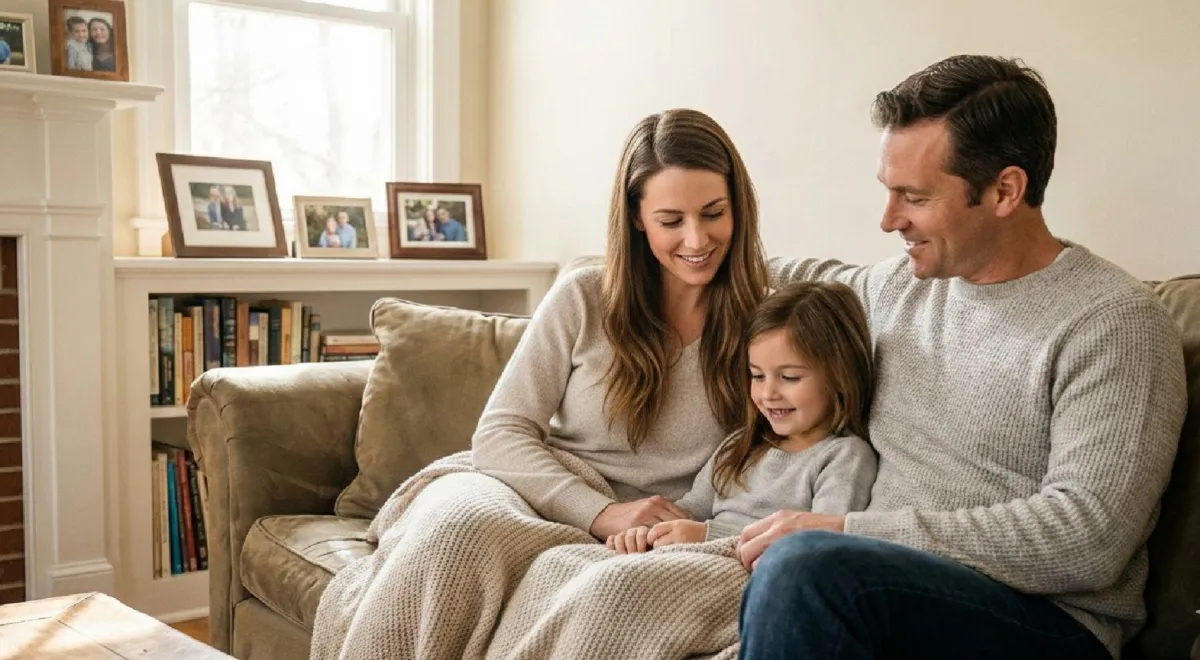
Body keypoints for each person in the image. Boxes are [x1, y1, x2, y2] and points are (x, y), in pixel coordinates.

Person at [735, 54, 1188, 660]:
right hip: (878, 588)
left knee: (798, 569)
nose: (889, 219)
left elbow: (1089, 536)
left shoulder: (1114, 323)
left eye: (913, 197)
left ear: (1005, 190)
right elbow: (773, 277)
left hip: (1043, 623)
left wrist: (848, 532)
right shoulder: (896, 289)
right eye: (888, 192)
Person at [317, 108, 769, 660]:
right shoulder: (584, 296)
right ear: (636, 219)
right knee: (460, 529)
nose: (696, 238)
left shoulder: (768, 318)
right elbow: (502, 434)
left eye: (713, 213)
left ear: (737, 207)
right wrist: (600, 514)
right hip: (533, 486)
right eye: (671, 220)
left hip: (656, 528)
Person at [607, 280, 877, 554]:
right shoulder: (740, 445)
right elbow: (688, 513)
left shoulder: (844, 457)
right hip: (692, 556)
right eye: (757, 375)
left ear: (841, 377)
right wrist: (647, 533)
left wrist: (708, 535)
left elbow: (819, 548)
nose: (768, 393)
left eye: (789, 377)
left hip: (744, 570)